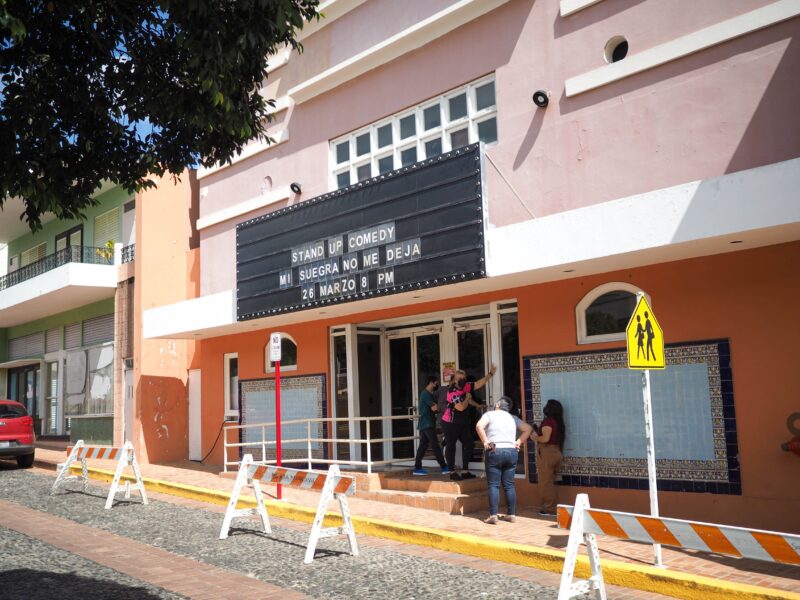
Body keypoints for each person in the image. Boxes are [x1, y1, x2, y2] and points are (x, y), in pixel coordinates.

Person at [476, 396, 533, 524]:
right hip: (511, 451)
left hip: (495, 450)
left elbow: (479, 426)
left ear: (497, 405)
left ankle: (493, 515)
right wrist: (518, 442)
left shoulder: (490, 414)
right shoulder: (513, 418)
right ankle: (511, 514)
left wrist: (485, 441)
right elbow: (528, 429)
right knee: (509, 485)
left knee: (493, 485)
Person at [438, 365, 496, 481]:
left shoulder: (466, 386)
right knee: (451, 446)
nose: (463, 380)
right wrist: (467, 397)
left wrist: (490, 374)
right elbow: (461, 407)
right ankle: (452, 472)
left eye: (464, 378)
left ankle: (465, 471)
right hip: (450, 423)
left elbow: (478, 384)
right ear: (455, 380)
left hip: (462, 423)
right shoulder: (451, 392)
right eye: (460, 378)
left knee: (469, 444)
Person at [533, 399, 565, 516]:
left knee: (546, 483)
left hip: (547, 453)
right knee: (550, 481)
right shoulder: (558, 422)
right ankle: (552, 508)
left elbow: (545, 439)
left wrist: (535, 437)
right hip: (556, 452)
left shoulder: (548, 422)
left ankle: (549, 509)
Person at [412, 376, 448, 476]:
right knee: (435, 445)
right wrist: (439, 408)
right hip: (427, 423)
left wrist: (437, 407)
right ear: (431, 383)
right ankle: (444, 466)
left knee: (423, 446)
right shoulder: (426, 394)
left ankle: (417, 468)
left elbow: (435, 407)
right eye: (436, 383)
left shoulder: (428, 394)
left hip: (426, 423)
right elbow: (434, 408)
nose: (437, 385)